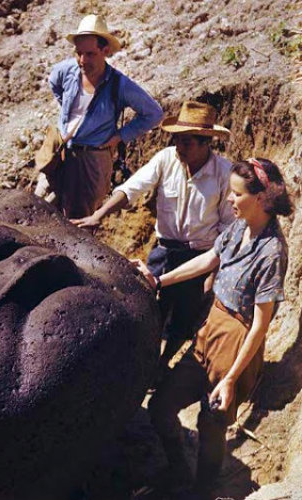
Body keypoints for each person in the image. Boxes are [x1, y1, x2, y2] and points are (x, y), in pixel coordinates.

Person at [132, 157, 293, 496]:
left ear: (261, 198)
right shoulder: (239, 226)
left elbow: (260, 327)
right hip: (209, 328)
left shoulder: (272, 253)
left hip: (235, 344)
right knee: (160, 406)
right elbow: (210, 260)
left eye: (236, 193)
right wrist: (159, 281)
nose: (229, 199)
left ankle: (203, 488)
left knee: (212, 424)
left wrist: (232, 378)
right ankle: (179, 469)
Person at [72, 101, 235, 369]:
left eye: (187, 142)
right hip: (164, 252)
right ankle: (140, 366)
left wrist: (215, 271)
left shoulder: (224, 173)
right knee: (147, 308)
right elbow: (131, 188)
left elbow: (228, 230)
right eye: (177, 140)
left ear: (206, 142)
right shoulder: (166, 159)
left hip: (200, 257)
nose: (179, 148)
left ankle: (164, 364)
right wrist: (98, 215)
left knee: (183, 317)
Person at [40, 14, 163, 218]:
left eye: (89, 54)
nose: (82, 60)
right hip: (60, 151)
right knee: (41, 208)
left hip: (92, 159)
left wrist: (119, 136)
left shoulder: (119, 84)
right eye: (79, 53)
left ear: (105, 52)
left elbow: (153, 113)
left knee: (79, 222)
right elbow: (53, 81)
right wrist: (66, 117)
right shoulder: (67, 70)